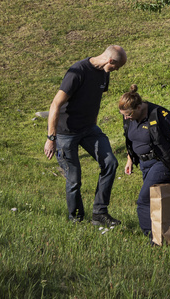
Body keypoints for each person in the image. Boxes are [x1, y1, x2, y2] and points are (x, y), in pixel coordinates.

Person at [43, 45, 126, 226]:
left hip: (89, 130)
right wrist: (51, 138)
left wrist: (93, 124)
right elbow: (55, 104)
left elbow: (93, 99)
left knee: (110, 162)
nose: (115, 71)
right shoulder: (77, 72)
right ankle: (77, 220)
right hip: (66, 133)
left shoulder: (105, 72)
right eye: (116, 67)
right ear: (110, 61)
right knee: (74, 180)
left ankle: (99, 214)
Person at [119, 85, 170, 238]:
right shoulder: (129, 117)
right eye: (123, 114)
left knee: (144, 200)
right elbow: (132, 140)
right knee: (158, 202)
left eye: (128, 114)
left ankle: (153, 238)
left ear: (138, 107)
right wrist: (130, 159)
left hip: (161, 163)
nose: (126, 118)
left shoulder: (160, 115)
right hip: (144, 164)